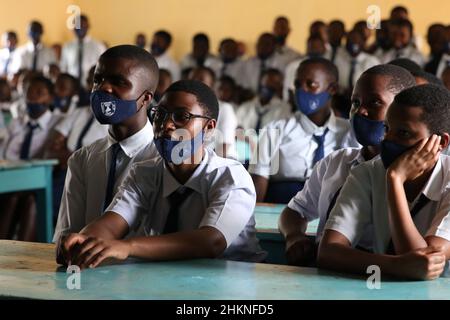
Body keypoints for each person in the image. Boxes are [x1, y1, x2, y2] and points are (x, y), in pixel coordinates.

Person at [57, 80, 266, 267]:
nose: (166, 125)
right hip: (164, 280)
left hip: (230, 284)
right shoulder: (145, 172)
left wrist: (127, 247)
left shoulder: (230, 177)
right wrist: (85, 240)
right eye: (160, 114)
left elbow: (211, 241)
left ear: (209, 127)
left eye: (181, 117)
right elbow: (113, 222)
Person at [279, 64, 416, 266]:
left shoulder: (415, 173)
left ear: (402, 110)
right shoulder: (335, 162)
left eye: (375, 102)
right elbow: (295, 211)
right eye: (355, 102)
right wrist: (294, 236)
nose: (360, 111)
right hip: (326, 277)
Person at [319, 84, 450, 280]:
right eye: (387, 128)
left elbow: (424, 267)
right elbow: (328, 251)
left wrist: (395, 179)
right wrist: (396, 265)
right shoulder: (368, 172)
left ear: (440, 143)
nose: (387, 140)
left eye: (404, 133)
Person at [53, 45, 160, 243]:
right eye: (98, 80)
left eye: (119, 82)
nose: (103, 88)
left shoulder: (162, 160)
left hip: (142, 271)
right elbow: (67, 233)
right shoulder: (82, 159)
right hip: (85, 270)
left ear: (146, 98)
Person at [249, 57, 358, 204]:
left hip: (331, 212)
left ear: (332, 89)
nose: (302, 90)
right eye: (297, 84)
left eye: (311, 84)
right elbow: (257, 182)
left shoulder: (349, 131)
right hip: (281, 209)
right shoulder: (273, 130)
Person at [60, 14, 106, 88]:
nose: (79, 28)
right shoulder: (67, 46)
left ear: (88, 26)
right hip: (72, 87)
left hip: (91, 86)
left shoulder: (98, 46)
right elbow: (63, 68)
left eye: (82, 26)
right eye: (77, 26)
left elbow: (104, 69)